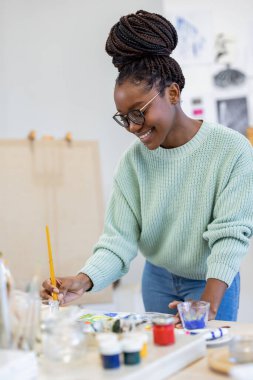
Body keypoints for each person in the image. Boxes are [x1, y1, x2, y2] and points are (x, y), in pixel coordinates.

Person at [41, 10, 253, 321]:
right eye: (124, 118)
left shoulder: (231, 149)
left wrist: (207, 304)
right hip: (157, 279)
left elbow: (230, 234)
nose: (132, 126)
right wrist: (83, 281)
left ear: (173, 93)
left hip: (211, 281)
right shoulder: (133, 162)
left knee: (204, 362)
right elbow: (118, 239)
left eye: (138, 113)